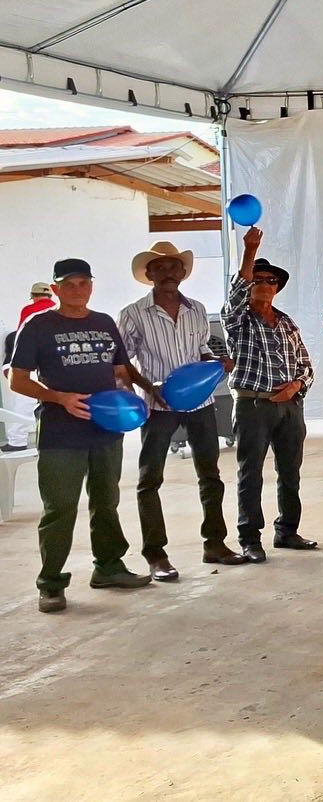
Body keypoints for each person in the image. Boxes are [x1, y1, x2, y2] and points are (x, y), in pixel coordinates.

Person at [10, 259, 150, 613]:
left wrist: (131, 398)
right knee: (60, 507)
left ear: (91, 286)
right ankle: (50, 583)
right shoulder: (38, 326)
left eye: (83, 283)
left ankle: (109, 567)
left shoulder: (104, 323)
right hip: (60, 432)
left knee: (106, 500)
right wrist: (59, 398)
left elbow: (120, 369)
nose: (77, 290)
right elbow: (17, 379)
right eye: (68, 284)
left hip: (105, 430)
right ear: (56, 289)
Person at [118, 241, 244, 580]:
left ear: (183, 272)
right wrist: (148, 388)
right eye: (159, 268)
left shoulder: (197, 310)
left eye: (173, 266)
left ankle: (215, 543)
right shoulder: (133, 313)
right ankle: (156, 555)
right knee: (150, 479)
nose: (167, 273)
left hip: (200, 403)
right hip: (158, 406)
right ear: (149, 274)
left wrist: (217, 363)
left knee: (210, 475)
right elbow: (121, 361)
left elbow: (200, 351)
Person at [223, 228, 317, 562]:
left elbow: (306, 365)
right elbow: (235, 296)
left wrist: (296, 386)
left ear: (277, 288)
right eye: (258, 279)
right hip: (253, 404)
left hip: (290, 406)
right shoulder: (238, 320)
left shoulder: (287, 322)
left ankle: (287, 531)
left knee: (290, 472)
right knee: (250, 474)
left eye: (270, 281)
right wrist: (250, 250)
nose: (264, 284)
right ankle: (250, 539)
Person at [2, 282, 55, 451]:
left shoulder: (28, 310)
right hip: (54, 364)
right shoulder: (57, 308)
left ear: (32, 296)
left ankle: (17, 441)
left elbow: (22, 338)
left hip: (31, 363)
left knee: (23, 403)